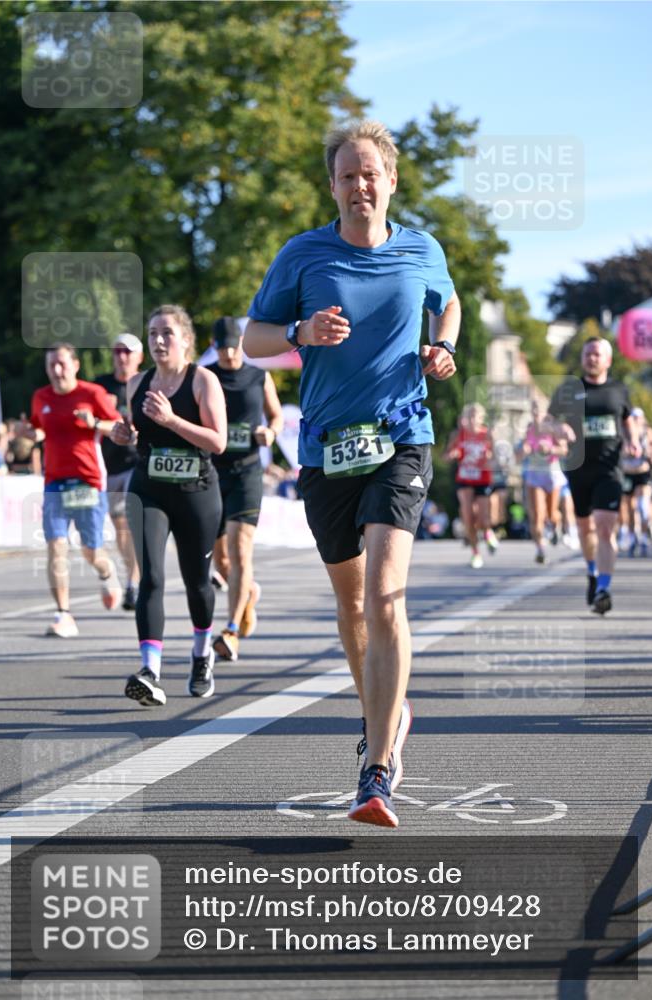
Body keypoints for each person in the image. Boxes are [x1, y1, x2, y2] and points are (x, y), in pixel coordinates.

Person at [244, 119, 460, 827]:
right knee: (352, 608)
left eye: (371, 172)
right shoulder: (303, 254)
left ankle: (376, 767)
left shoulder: (420, 250)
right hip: (327, 448)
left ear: (390, 180)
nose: (359, 184)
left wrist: (441, 345)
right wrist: (299, 334)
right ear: (332, 185)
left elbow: (447, 301)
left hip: (402, 437)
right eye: (347, 174)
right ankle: (384, 711)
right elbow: (250, 340)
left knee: (385, 595)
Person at [111, 305, 226, 706]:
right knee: (152, 578)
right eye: (153, 333)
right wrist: (124, 434)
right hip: (150, 489)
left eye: (167, 334)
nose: (158, 341)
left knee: (197, 581)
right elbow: (138, 435)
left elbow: (218, 441)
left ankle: (201, 653)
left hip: (196, 491)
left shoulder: (203, 381)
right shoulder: (137, 383)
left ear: (185, 341)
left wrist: (173, 419)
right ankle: (150, 669)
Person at [17, 343, 122, 638]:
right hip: (54, 482)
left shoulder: (92, 394)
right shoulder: (41, 397)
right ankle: (63, 614)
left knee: (91, 551)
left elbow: (119, 426)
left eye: (62, 364)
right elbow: (39, 429)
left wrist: (95, 422)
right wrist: (30, 434)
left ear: (75, 365)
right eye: (52, 365)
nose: (57, 371)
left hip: (88, 481)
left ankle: (106, 571)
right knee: (56, 547)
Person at [204, 317, 283, 662]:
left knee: (239, 551)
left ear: (241, 344)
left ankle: (231, 631)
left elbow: (275, 415)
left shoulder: (258, 376)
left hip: (247, 473)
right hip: (211, 473)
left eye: (233, 346)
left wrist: (272, 433)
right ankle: (247, 593)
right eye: (221, 348)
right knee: (221, 561)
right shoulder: (205, 377)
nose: (228, 353)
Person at [548, 337, 641, 615]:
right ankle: (591, 572)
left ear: (608, 360)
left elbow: (628, 419)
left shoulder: (618, 390)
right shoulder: (568, 389)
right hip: (578, 469)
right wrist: (559, 430)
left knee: (603, 526)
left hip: (609, 468)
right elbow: (548, 420)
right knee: (585, 527)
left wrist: (633, 440)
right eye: (588, 353)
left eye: (597, 354)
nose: (592, 358)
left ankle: (604, 587)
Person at [95, 333, 144, 610]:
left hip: (137, 462)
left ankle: (133, 583)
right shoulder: (101, 386)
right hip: (109, 464)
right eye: (117, 352)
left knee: (128, 521)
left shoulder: (147, 383)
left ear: (138, 357)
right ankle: (134, 576)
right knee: (120, 528)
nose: (122, 357)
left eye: (127, 352)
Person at [445, 403, 497, 568]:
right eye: (470, 416)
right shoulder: (458, 435)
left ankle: (487, 532)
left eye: (476, 416)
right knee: (468, 517)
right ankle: (476, 554)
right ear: (465, 418)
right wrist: (452, 454)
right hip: (464, 479)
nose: (473, 420)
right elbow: (445, 456)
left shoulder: (487, 435)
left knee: (482, 518)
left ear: (481, 419)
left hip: (482, 479)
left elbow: (495, 457)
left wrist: (490, 456)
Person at [516, 400, 568, 563]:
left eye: (539, 409)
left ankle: (556, 525)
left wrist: (550, 449)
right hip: (534, 475)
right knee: (537, 514)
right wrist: (522, 451)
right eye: (534, 409)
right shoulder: (530, 429)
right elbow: (519, 455)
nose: (536, 412)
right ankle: (540, 549)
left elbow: (564, 450)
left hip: (551, 474)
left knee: (551, 514)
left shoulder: (552, 428)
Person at [620, 407, 652, 557]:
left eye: (638, 417)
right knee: (630, 507)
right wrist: (626, 451)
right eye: (633, 417)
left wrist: (650, 455)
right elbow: (618, 450)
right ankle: (634, 536)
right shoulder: (623, 431)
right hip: (628, 472)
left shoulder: (648, 432)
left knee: (643, 506)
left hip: (643, 472)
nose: (635, 420)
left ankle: (644, 536)